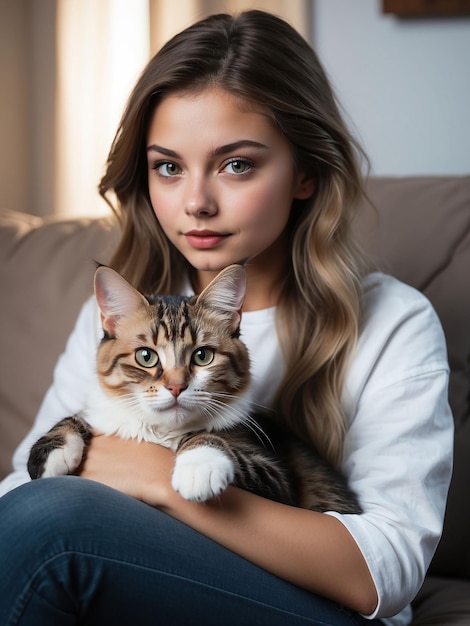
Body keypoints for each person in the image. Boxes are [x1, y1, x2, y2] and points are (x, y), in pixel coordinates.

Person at [0, 10, 453, 626]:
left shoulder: (393, 320)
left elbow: (389, 570)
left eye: (236, 164)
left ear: (306, 173)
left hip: (317, 608)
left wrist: (152, 473)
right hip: (146, 579)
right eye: (168, 166)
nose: (196, 203)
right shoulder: (123, 316)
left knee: (59, 526)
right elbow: (20, 494)